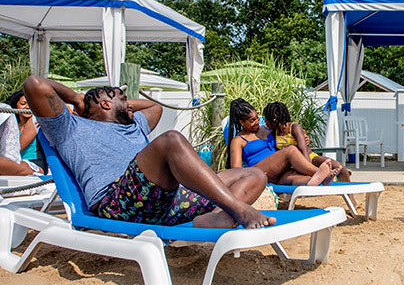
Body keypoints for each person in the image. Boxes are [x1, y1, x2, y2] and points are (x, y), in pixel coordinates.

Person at [22, 75, 272, 229]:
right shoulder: (71, 128)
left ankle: (218, 216)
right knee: (171, 140)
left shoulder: (134, 125)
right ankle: (237, 209)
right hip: (119, 204)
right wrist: (78, 99)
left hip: (167, 202)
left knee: (255, 174)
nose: (130, 103)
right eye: (123, 98)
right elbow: (34, 84)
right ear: (105, 104)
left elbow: (154, 106)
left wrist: (121, 104)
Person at [227, 98, 338, 186]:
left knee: (297, 177)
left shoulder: (267, 128)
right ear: (241, 122)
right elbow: (236, 170)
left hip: (280, 171)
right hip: (260, 172)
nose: (257, 122)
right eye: (252, 120)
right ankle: (320, 172)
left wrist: (303, 137)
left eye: (257, 118)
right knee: (290, 151)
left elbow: (285, 134)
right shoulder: (238, 141)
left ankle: (316, 180)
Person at [263, 101, 351, 182]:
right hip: (293, 164)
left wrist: (308, 168)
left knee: (339, 167)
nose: (265, 122)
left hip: (309, 157)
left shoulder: (294, 128)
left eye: (266, 119)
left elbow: (303, 150)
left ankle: (348, 189)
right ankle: (329, 177)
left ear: (274, 118)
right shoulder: (274, 132)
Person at [0, 106, 41, 175]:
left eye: (29, 104)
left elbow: (16, 148)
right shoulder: (11, 122)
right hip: (15, 162)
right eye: (23, 103)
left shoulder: (34, 120)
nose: (27, 107)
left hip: (31, 162)